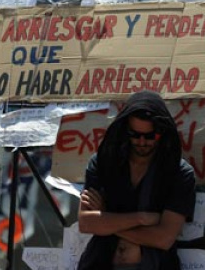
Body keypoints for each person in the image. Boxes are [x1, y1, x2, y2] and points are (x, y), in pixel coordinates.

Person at [77, 90, 196, 270]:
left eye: (150, 136)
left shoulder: (179, 174)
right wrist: (142, 218)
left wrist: (107, 219)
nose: (142, 142)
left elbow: (163, 238)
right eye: (135, 135)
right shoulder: (103, 163)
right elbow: (86, 223)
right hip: (101, 262)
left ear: (161, 133)